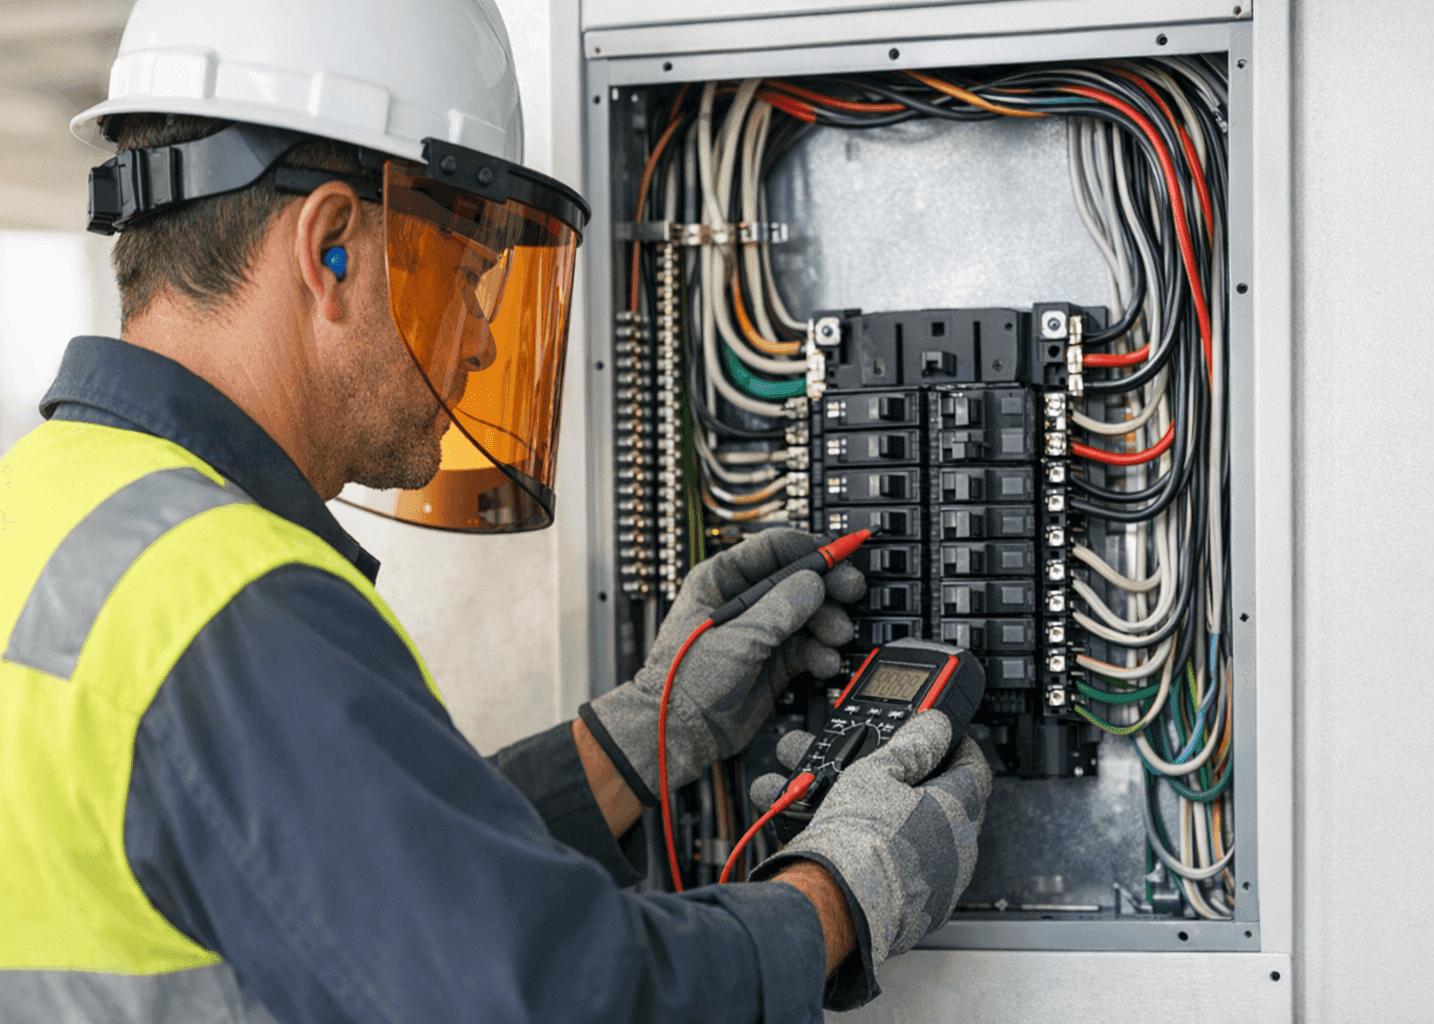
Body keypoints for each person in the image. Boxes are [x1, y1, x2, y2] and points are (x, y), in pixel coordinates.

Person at [0, 1, 992, 1021]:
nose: (479, 344)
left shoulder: (51, 509)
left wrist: (633, 738)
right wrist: (836, 895)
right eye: (471, 276)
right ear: (332, 246)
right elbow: (542, 998)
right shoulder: (233, 604)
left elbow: (353, 887)